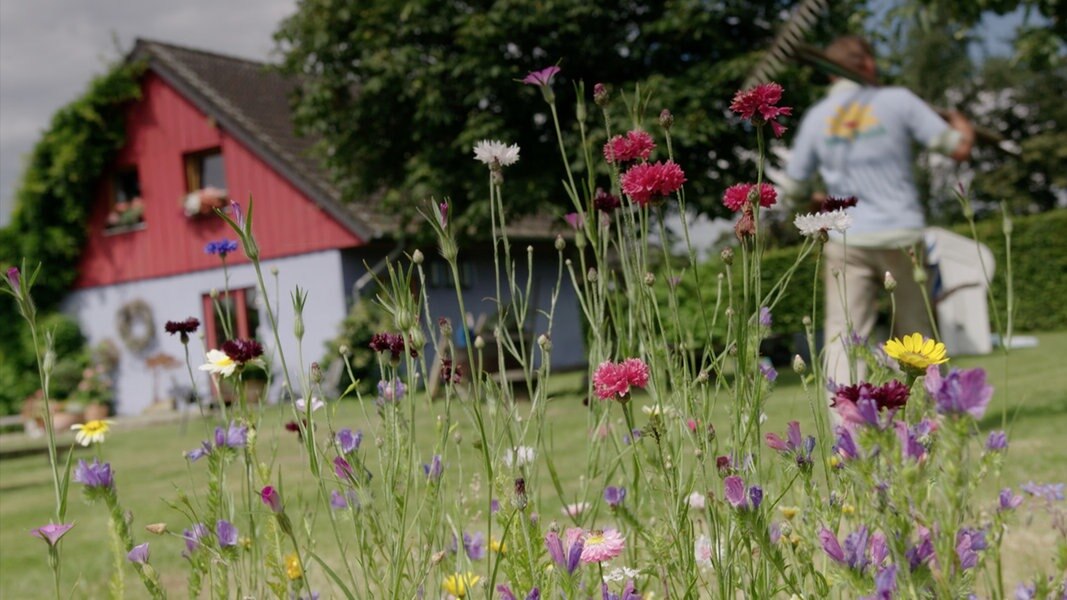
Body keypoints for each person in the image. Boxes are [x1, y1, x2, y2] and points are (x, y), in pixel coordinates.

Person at [780, 35, 975, 388]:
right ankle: (934, 423)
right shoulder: (897, 101)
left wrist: (817, 201)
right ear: (868, 64)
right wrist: (962, 125)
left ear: (830, 75)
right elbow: (957, 148)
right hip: (902, 236)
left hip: (847, 237)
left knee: (844, 336)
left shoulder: (818, 118)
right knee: (919, 333)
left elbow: (792, 190)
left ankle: (847, 432)